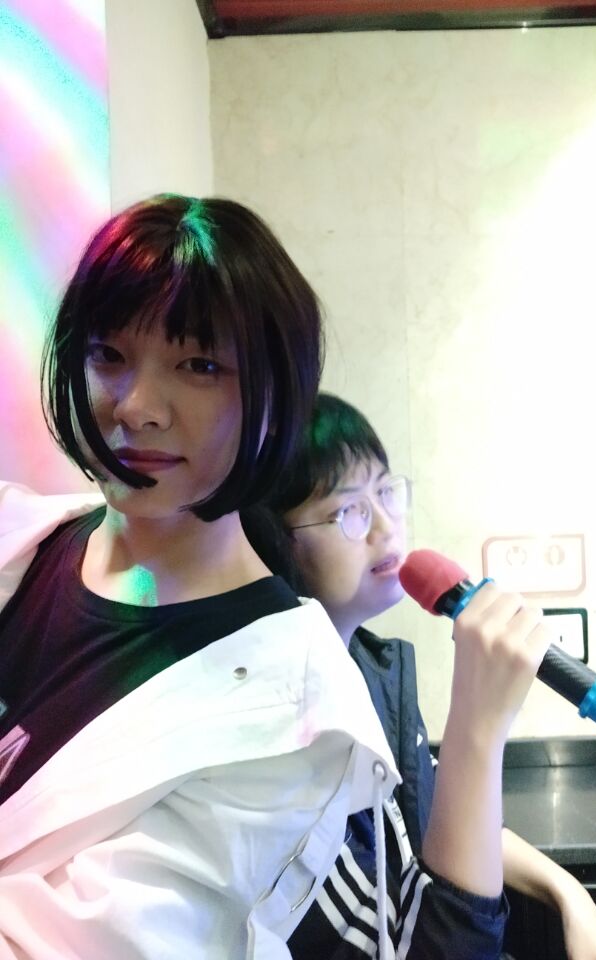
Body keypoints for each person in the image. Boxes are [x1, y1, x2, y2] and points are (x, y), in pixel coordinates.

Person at [0, 197, 402, 960]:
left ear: (275, 396)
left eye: (199, 365)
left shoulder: (292, 708)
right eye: (107, 354)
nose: (136, 408)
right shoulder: (20, 539)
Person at [261, 392, 596, 960]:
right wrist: (477, 729)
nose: (386, 526)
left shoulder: (372, 671)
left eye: (386, 492)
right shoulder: (286, 740)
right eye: (350, 510)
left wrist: (569, 894)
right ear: (275, 541)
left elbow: (438, 817)